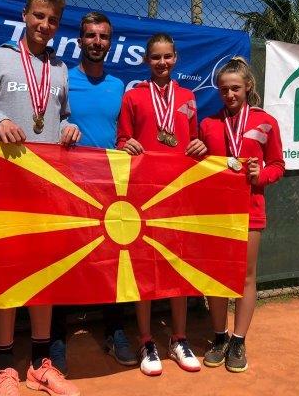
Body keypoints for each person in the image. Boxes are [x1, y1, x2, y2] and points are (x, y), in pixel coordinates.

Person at [0, 0, 81, 396]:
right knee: (7, 273)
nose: (44, 25)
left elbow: (63, 116)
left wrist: (70, 127)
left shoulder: (60, 69)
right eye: (39, 16)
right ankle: (5, 367)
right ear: (25, 14)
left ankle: (39, 365)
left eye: (52, 20)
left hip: (47, 187)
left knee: (45, 274)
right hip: (5, 184)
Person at [49, 11, 138, 373]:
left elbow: (121, 132)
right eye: (90, 35)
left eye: (103, 36)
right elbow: (49, 122)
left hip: (109, 186)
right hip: (68, 185)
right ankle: (55, 338)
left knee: (111, 260)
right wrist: (63, 129)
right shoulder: (62, 79)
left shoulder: (119, 85)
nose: (97, 42)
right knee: (65, 260)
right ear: (80, 40)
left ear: (110, 42)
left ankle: (115, 331)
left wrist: (126, 143)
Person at [116, 33, 206, 376]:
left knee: (177, 266)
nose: (162, 62)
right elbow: (121, 140)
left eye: (167, 56)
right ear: (146, 60)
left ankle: (179, 338)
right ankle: (146, 340)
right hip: (142, 195)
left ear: (176, 58)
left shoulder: (188, 98)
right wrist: (126, 145)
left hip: (177, 195)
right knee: (144, 268)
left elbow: (192, 140)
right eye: (155, 57)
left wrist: (198, 145)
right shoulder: (134, 96)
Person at [199, 56, 285, 372]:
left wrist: (261, 176)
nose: (230, 94)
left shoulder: (266, 122)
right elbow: (198, 169)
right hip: (216, 213)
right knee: (217, 275)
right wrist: (196, 152)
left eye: (235, 88)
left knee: (246, 276)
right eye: (224, 90)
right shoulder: (208, 124)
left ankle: (238, 340)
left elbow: (278, 165)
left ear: (248, 86)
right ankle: (219, 337)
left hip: (250, 209)